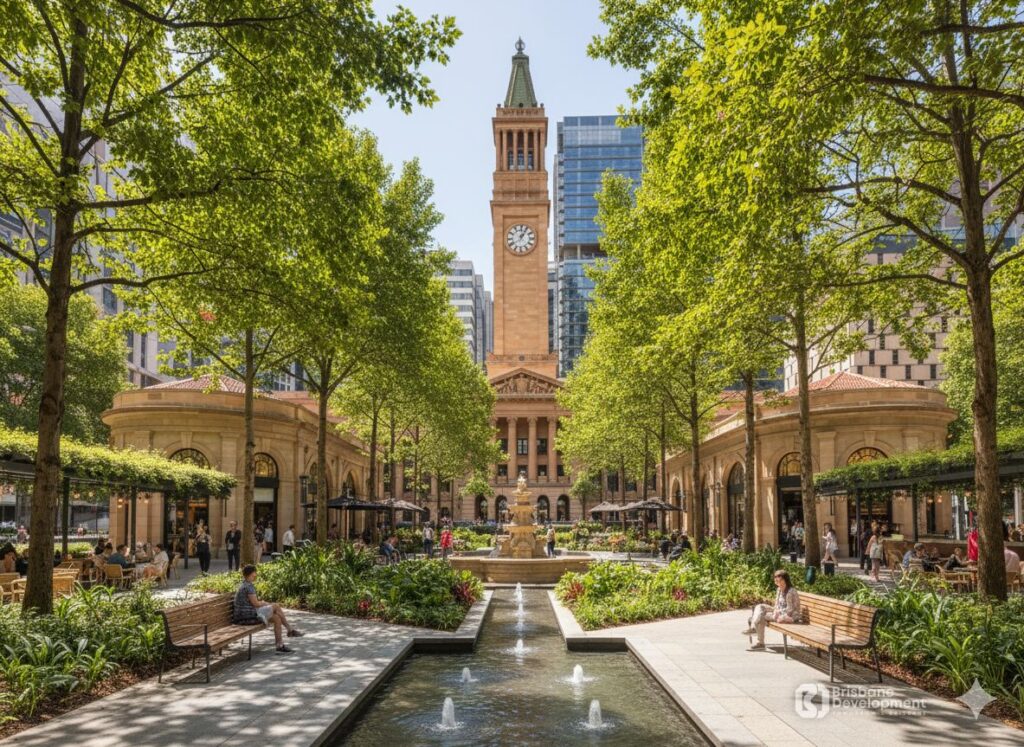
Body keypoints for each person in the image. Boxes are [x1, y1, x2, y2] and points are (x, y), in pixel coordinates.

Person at [233, 565, 302, 653]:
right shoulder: (248, 587)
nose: (255, 575)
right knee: (276, 606)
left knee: (277, 618)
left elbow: (253, 603)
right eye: (254, 574)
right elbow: (256, 604)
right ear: (250, 574)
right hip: (247, 616)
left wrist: (263, 603)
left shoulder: (245, 584)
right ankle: (290, 630)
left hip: (246, 614)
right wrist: (264, 603)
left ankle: (279, 645)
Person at [743, 570, 801, 651]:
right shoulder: (779, 589)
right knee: (760, 606)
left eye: (780, 580)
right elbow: (777, 604)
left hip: (789, 615)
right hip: (779, 612)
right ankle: (754, 628)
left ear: (786, 580)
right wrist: (776, 610)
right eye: (776, 581)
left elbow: (790, 609)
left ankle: (760, 643)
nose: (778, 582)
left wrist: (778, 612)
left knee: (761, 616)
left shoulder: (790, 591)